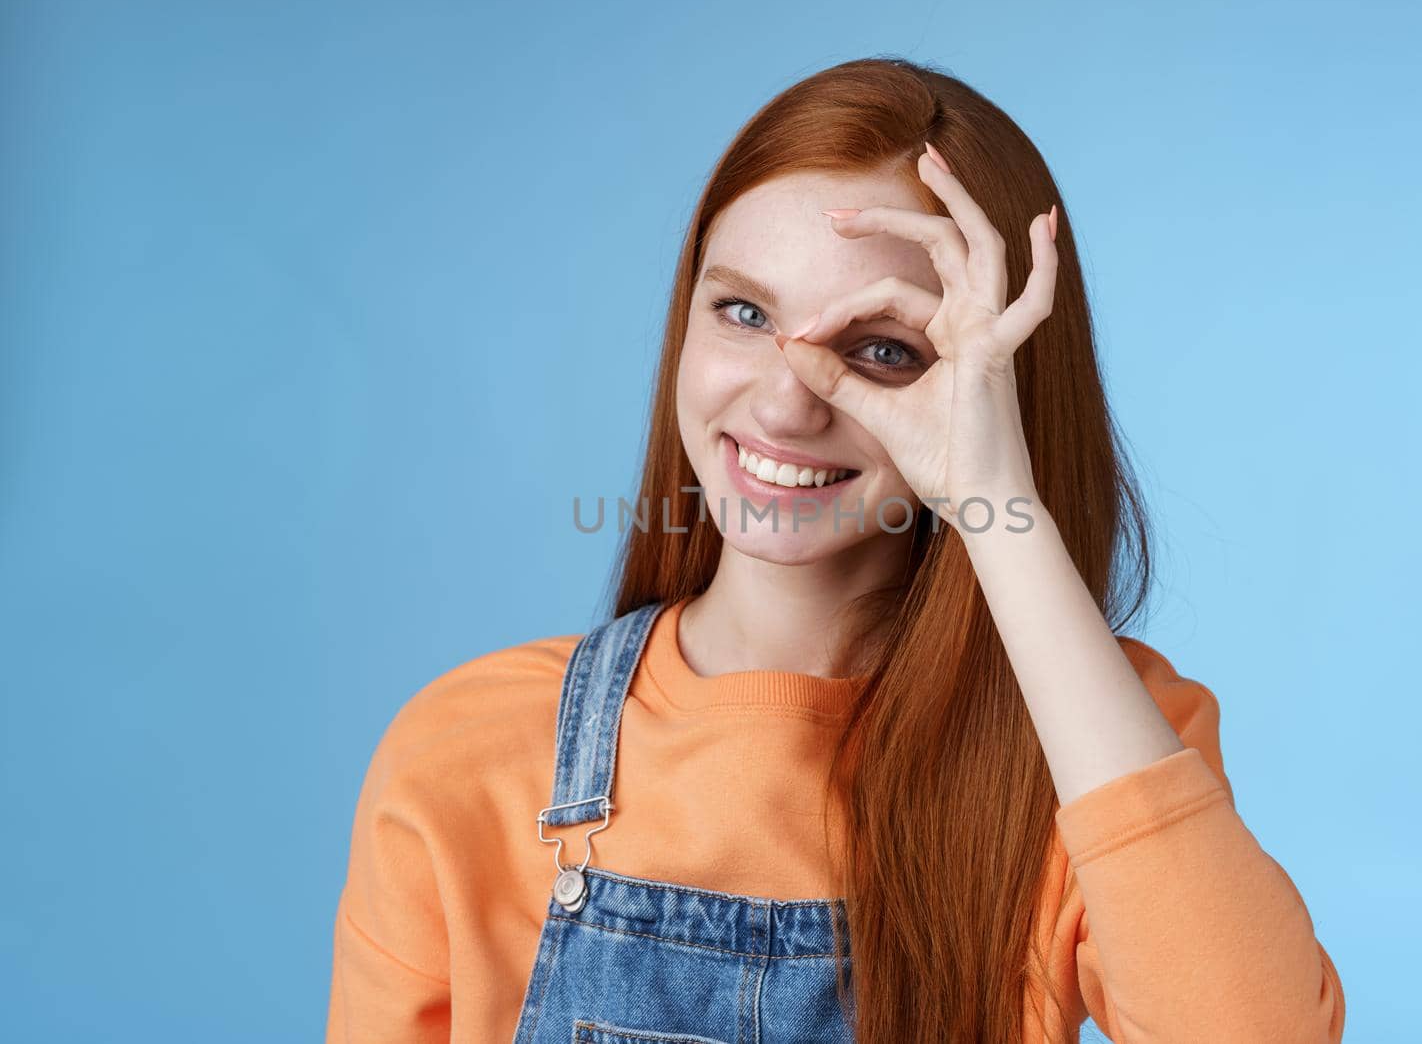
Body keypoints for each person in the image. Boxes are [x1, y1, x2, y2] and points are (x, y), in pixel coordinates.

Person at [326, 56, 1347, 1043]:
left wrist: (996, 502)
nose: (783, 400)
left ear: (997, 385)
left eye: (882, 348)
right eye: (743, 311)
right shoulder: (471, 750)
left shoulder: (1094, 747)